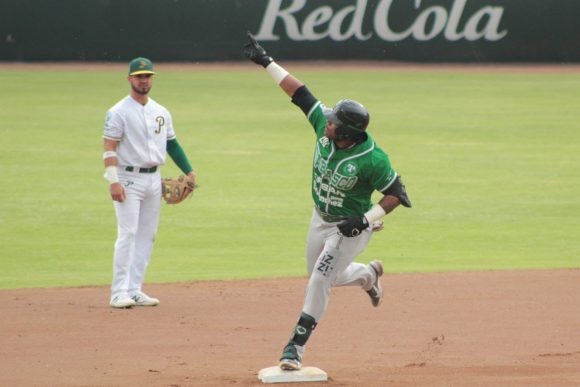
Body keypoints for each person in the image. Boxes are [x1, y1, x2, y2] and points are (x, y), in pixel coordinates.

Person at [243, 34, 412, 370]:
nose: (327, 119)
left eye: (334, 120)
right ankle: (368, 276)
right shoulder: (325, 124)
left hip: (350, 228)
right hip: (320, 218)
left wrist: (365, 220)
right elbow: (300, 94)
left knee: (320, 279)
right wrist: (266, 61)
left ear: (347, 132)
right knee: (321, 276)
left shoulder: (372, 159)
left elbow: (399, 194)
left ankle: (294, 349)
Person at [102, 57, 196, 309]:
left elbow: (172, 144)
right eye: (139, 76)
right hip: (128, 178)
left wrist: (189, 170)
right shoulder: (118, 111)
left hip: (154, 179)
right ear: (130, 79)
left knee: (147, 235)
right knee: (128, 233)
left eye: (148, 76)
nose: (144, 80)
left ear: (152, 78)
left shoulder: (161, 112)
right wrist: (113, 181)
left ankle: (134, 289)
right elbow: (109, 147)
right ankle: (117, 292)